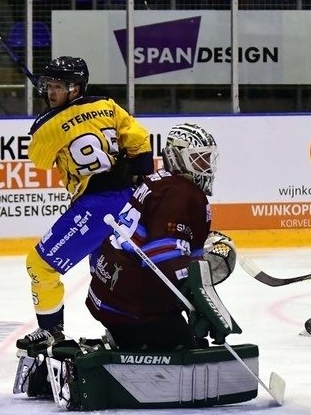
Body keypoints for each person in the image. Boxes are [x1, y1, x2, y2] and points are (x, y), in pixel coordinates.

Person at [16, 56, 154, 351]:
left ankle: (51, 331)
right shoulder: (106, 105)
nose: (51, 92)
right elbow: (140, 142)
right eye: (49, 86)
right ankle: (131, 333)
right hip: (131, 199)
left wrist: (51, 119)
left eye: (57, 87)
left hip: (96, 206)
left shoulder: (47, 125)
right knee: (108, 272)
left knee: (40, 265)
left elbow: (39, 160)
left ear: (75, 89)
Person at [86, 122, 236, 349]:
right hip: (132, 307)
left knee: (185, 335)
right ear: (178, 157)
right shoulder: (182, 193)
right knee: (188, 351)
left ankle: (124, 342)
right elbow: (163, 257)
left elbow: (159, 242)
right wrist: (204, 303)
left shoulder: (160, 180)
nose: (205, 167)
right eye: (198, 159)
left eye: (207, 159)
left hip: (107, 294)